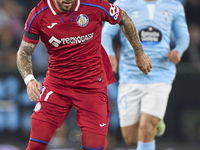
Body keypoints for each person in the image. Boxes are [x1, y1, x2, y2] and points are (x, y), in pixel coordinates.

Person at [16, 0, 152, 150]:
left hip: (91, 85)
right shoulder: (38, 14)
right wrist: (29, 79)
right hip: (57, 85)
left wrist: (139, 53)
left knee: (93, 147)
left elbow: (123, 18)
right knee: (35, 145)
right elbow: (23, 52)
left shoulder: (94, 4)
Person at [101, 0, 190, 149]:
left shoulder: (174, 5)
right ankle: (158, 121)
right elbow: (106, 34)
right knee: (131, 139)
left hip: (160, 75)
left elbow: (183, 37)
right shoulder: (123, 3)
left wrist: (178, 51)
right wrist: (109, 55)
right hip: (130, 77)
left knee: (147, 129)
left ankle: (154, 120)